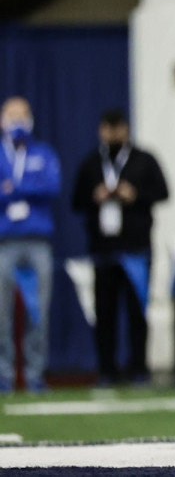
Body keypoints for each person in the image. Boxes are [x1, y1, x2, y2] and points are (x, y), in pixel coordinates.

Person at [70, 109, 170, 385]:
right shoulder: (92, 163)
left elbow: (163, 192)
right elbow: (76, 201)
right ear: (101, 130)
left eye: (117, 128)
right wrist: (96, 196)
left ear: (126, 129)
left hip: (136, 248)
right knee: (105, 312)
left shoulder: (143, 160)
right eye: (107, 128)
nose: (113, 134)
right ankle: (107, 370)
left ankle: (139, 368)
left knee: (138, 311)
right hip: (103, 248)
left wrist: (134, 195)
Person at [0, 97, 61, 394]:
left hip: (37, 242)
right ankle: (4, 376)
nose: (17, 120)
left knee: (39, 311)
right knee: (1, 314)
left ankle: (36, 375)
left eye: (22, 114)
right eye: (11, 115)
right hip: (4, 241)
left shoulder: (43, 152)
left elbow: (52, 185)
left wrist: (14, 188)